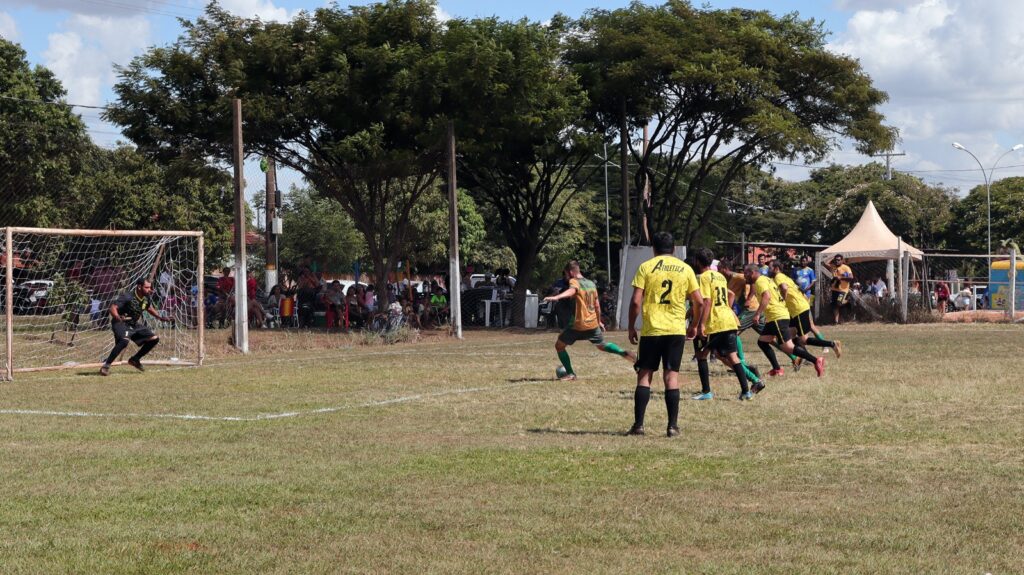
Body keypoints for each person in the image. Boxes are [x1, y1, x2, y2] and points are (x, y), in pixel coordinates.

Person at [626, 232, 703, 438]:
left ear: (654, 248)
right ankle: (672, 427)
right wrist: (694, 325)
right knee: (671, 377)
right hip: (675, 330)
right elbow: (699, 301)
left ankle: (639, 425)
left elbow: (635, 301)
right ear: (674, 249)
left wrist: (631, 326)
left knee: (645, 375)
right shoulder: (686, 269)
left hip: (652, 330)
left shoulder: (646, 267)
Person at [543, 260, 635, 381]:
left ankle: (571, 373)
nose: (566, 278)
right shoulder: (591, 283)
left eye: (566, 274)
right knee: (602, 345)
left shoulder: (574, 281)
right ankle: (623, 352)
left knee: (559, 346)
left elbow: (572, 290)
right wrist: (599, 322)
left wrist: (556, 297)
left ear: (571, 272)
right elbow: (597, 305)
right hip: (592, 324)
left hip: (578, 324)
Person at [691, 248, 757, 401]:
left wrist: (701, 325)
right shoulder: (719, 276)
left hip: (716, 322)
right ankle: (746, 392)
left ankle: (706, 392)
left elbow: (706, 301)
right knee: (733, 357)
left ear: (697, 262)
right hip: (728, 319)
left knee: (701, 354)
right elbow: (730, 294)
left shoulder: (703, 277)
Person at [745, 264, 824, 378]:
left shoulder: (759, 281)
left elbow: (766, 296)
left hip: (777, 316)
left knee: (788, 347)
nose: (744, 275)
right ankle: (777, 369)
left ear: (752, 272)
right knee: (762, 342)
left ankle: (816, 360)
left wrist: (757, 314)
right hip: (776, 316)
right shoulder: (767, 279)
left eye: (746, 273)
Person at [770, 261, 842, 358]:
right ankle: (802, 359)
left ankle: (832, 344)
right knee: (788, 339)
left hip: (798, 309)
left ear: (776, 268)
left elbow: (784, 288)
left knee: (803, 339)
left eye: (770, 267)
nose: (768, 269)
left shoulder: (778, 277)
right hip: (796, 309)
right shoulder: (785, 277)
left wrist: (782, 300)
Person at [99, 278, 170, 376]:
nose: (150, 289)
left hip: (133, 324)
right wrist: (117, 317)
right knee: (124, 340)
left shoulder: (146, 298)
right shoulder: (127, 296)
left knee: (154, 339)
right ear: (139, 287)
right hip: (120, 323)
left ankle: (135, 359)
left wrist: (160, 317)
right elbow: (112, 308)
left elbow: (148, 307)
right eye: (147, 287)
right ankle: (106, 366)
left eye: (150, 287)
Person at [828, 254, 854, 324]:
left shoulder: (846, 268)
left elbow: (851, 277)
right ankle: (836, 321)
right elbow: (825, 263)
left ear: (842, 260)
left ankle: (848, 301)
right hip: (834, 289)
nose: (837, 261)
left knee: (839, 303)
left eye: (839, 260)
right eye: (835, 260)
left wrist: (841, 278)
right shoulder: (833, 267)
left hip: (843, 290)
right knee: (834, 305)